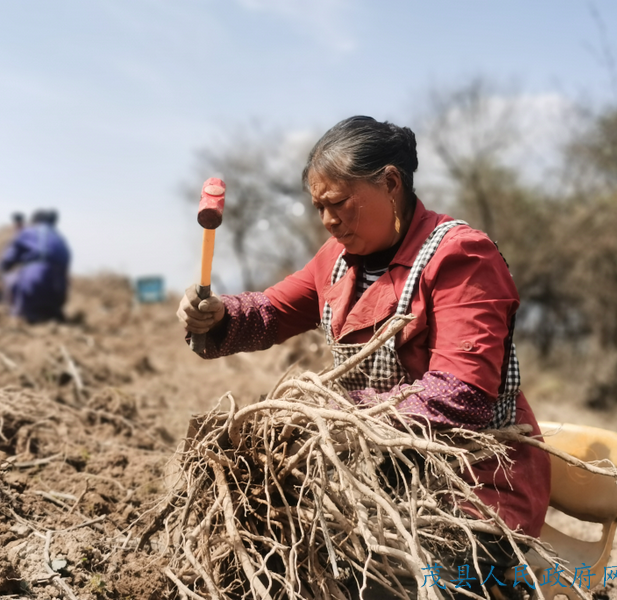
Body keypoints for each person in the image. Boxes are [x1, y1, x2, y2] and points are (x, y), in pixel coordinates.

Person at [177, 116, 550, 594]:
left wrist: (333, 422)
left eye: (338, 203)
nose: (328, 221)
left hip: (475, 489)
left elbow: (460, 394)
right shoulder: (334, 258)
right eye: (319, 208)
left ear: (390, 183)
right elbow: (270, 312)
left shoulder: (460, 256)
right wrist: (217, 314)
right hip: (380, 483)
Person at [0, 209, 71, 323]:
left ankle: (16, 315)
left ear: (35, 220)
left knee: (9, 279)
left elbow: (8, 259)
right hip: (59, 288)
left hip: (34, 282)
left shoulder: (28, 232)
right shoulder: (60, 238)